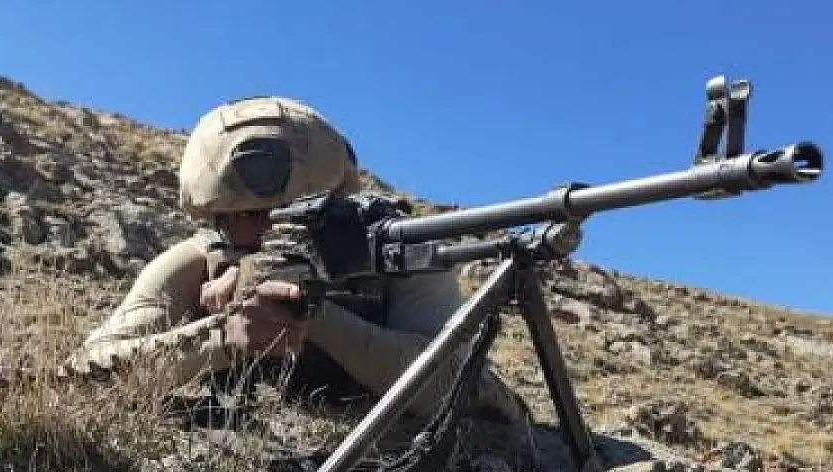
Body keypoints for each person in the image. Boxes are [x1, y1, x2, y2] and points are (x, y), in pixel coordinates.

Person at [68, 96, 527, 424]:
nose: (273, 230)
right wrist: (222, 338)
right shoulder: (198, 261)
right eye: (249, 216)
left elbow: (448, 389)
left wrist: (313, 314)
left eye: (298, 213)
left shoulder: (395, 247)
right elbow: (81, 378)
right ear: (217, 218)